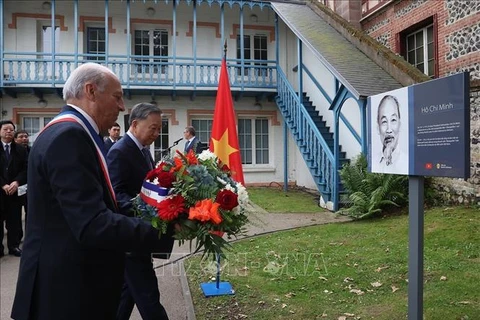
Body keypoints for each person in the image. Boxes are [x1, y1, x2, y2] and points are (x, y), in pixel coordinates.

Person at [11, 63, 175, 320]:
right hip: (65, 295)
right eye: (117, 97)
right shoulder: (70, 137)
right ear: (90, 91)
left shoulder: (70, 132)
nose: (122, 107)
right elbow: (92, 223)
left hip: (65, 286)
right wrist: (165, 229)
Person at [107, 102, 174, 320]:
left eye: (159, 129)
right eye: (152, 128)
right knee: (148, 297)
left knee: (128, 292)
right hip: (130, 236)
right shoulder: (120, 151)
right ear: (135, 124)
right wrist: (151, 211)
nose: (157, 133)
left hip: (139, 237)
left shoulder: (142, 150)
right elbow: (116, 196)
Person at [0, 121, 28, 258]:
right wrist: (3, 184)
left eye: (11, 130)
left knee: (14, 221)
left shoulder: (21, 150)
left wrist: (16, 182)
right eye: (5, 129)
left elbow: (25, 169)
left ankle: (14, 246)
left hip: (15, 191)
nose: (9, 132)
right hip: (1, 190)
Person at [374, 94, 407, 174]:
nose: (389, 130)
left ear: (400, 125)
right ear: (378, 128)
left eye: (393, 120)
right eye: (384, 121)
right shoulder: (373, 162)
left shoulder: (407, 162)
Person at [14, 130, 30, 242]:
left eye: (26, 136)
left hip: (30, 187)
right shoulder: (12, 152)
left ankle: (29, 236)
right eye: (21, 137)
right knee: (15, 215)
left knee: (30, 213)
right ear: (15, 139)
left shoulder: (32, 150)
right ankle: (17, 237)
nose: (24, 139)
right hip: (16, 186)